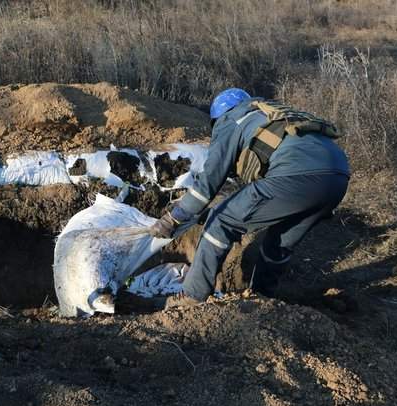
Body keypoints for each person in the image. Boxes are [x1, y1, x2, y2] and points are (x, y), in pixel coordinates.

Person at [150, 88, 350, 309]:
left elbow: (207, 184)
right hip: (338, 178)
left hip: (294, 176)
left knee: (220, 220)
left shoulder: (230, 120)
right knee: (279, 242)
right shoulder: (271, 113)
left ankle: (192, 295)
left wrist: (174, 218)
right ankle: (263, 297)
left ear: (218, 117)